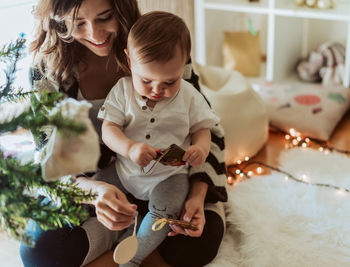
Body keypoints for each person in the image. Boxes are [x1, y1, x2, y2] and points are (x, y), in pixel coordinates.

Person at [19, 0, 227, 267]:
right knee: (39, 251)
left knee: (199, 243)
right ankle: (129, 240)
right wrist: (92, 192)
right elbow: (48, 160)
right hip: (102, 185)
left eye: (105, 18)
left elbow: (208, 129)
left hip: (169, 183)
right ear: (58, 21)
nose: (95, 34)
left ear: (122, 10)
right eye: (78, 23)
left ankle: (131, 249)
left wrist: (197, 195)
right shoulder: (46, 70)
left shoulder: (160, 47)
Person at [99, 11, 220, 266]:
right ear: (129, 61)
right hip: (124, 171)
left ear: (184, 64)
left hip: (168, 178)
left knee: (165, 214)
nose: (157, 90)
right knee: (94, 193)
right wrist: (129, 148)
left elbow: (203, 129)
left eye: (169, 81)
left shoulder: (189, 95)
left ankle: (133, 257)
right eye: (146, 80)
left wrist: (200, 147)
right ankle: (108, 234)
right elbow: (109, 128)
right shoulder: (122, 90)